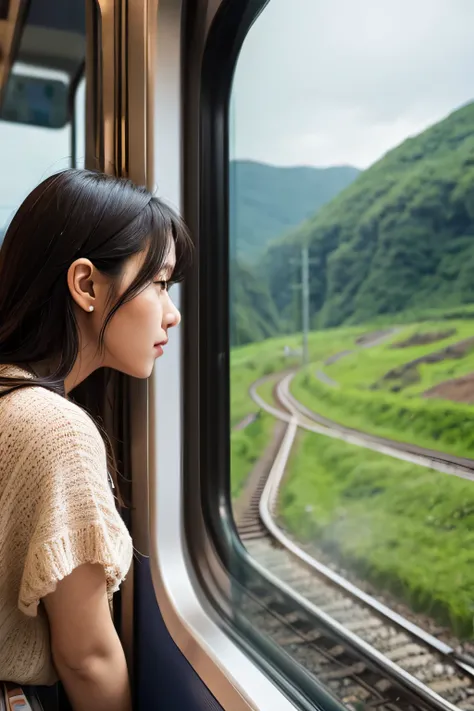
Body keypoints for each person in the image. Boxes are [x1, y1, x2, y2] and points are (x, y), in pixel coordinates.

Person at [0, 169, 192, 710]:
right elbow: (86, 658)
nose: (172, 314)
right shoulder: (54, 429)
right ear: (86, 285)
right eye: (158, 284)